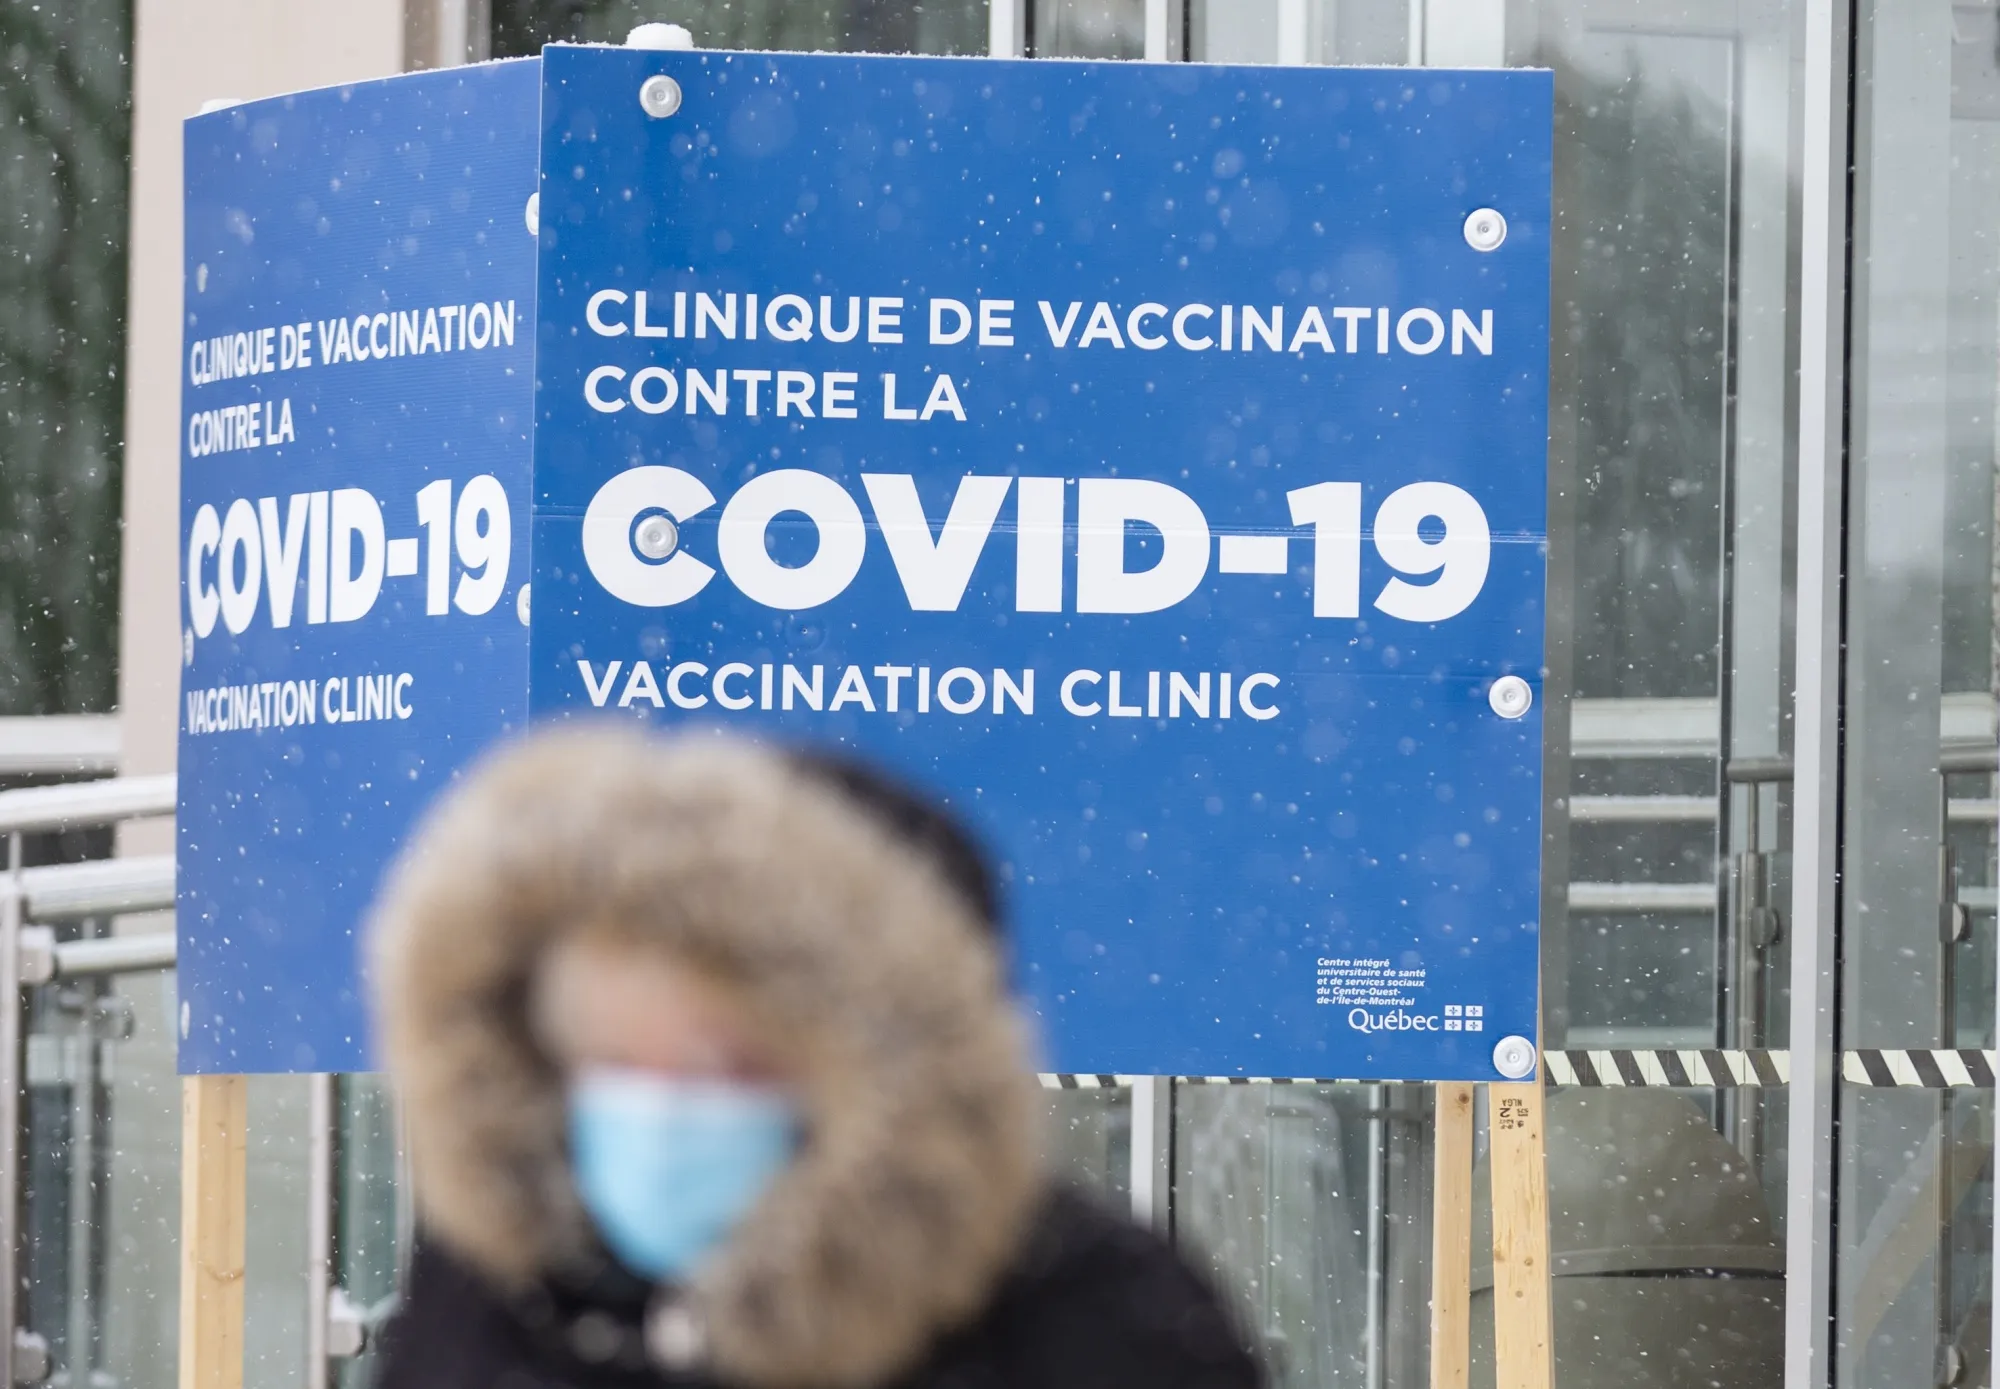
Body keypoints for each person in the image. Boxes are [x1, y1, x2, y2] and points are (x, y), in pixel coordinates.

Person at [367, 726, 1263, 1389]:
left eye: (724, 1062)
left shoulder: (1095, 1323)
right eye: (611, 1060)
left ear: (890, 1070)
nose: (663, 1112)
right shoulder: (491, 1282)